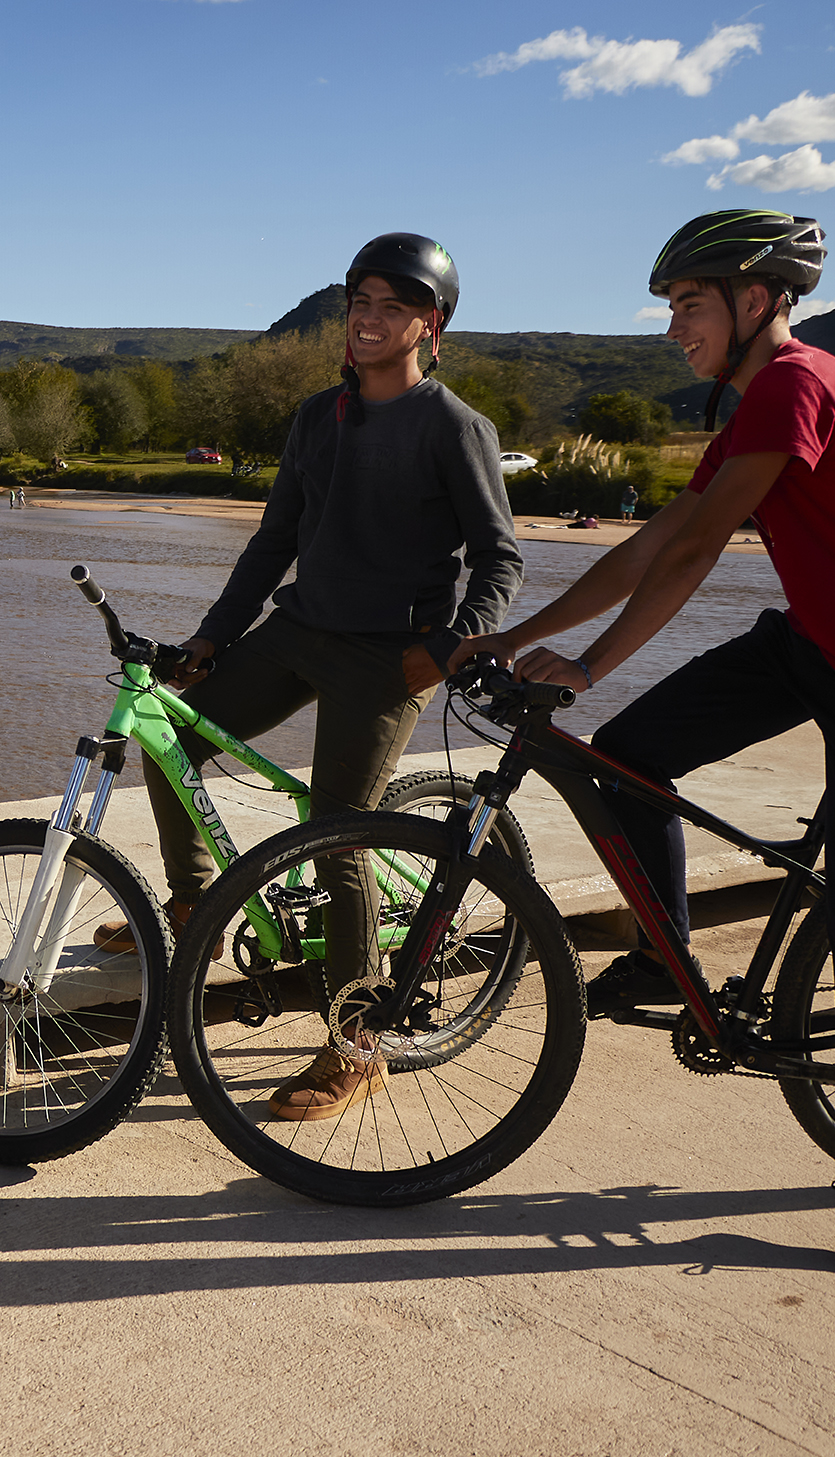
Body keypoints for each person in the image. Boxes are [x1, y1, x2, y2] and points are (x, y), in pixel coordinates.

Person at [450, 209, 835, 1273]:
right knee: (625, 761)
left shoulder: (796, 383)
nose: (672, 330)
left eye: (688, 305)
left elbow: (696, 548)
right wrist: (515, 637)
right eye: (669, 309)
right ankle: (665, 957)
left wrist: (590, 663)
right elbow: (650, 542)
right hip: (818, 644)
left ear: (756, 300)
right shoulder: (750, 405)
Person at [106, 232, 523, 1123]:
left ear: (431, 325)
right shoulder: (316, 418)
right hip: (300, 629)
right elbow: (273, 544)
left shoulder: (454, 427)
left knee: (337, 838)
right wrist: (212, 638)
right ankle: (194, 910)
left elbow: (500, 558)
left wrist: (453, 645)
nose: (369, 320)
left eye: (392, 307)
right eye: (359, 303)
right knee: (169, 735)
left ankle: (359, 1044)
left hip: (391, 654)